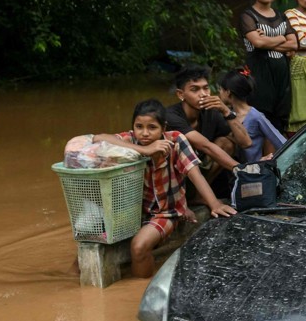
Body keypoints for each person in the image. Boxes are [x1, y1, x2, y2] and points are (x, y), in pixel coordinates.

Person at [95, 100, 236, 279]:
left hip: (167, 212)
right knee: (88, 250)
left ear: (163, 128)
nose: (144, 133)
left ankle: (140, 290)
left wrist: (214, 204)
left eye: (152, 127)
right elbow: (98, 138)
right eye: (139, 126)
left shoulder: (176, 140)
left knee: (139, 247)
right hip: (135, 211)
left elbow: (195, 174)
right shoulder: (132, 140)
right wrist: (143, 150)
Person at [165, 65, 251, 176]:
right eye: (194, 89)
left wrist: (226, 112)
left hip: (201, 167)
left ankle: (201, 193)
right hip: (175, 171)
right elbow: (205, 146)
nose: (203, 94)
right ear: (181, 94)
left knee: (226, 143)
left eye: (205, 88)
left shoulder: (211, 112)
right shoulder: (171, 116)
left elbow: (246, 143)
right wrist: (242, 169)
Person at [238, 0, 296, 133]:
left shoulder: (282, 17)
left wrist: (267, 41)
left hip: (282, 79)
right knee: (261, 121)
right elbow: (257, 42)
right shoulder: (248, 16)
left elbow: (294, 44)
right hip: (259, 77)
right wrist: (281, 38)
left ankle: (276, 157)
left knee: (280, 121)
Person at [217, 68, 286, 163]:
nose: (219, 93)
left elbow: (279, 140)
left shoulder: (255, 116)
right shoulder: (226, 114)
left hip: (251, 171)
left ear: (228, 92)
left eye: (220, 89)